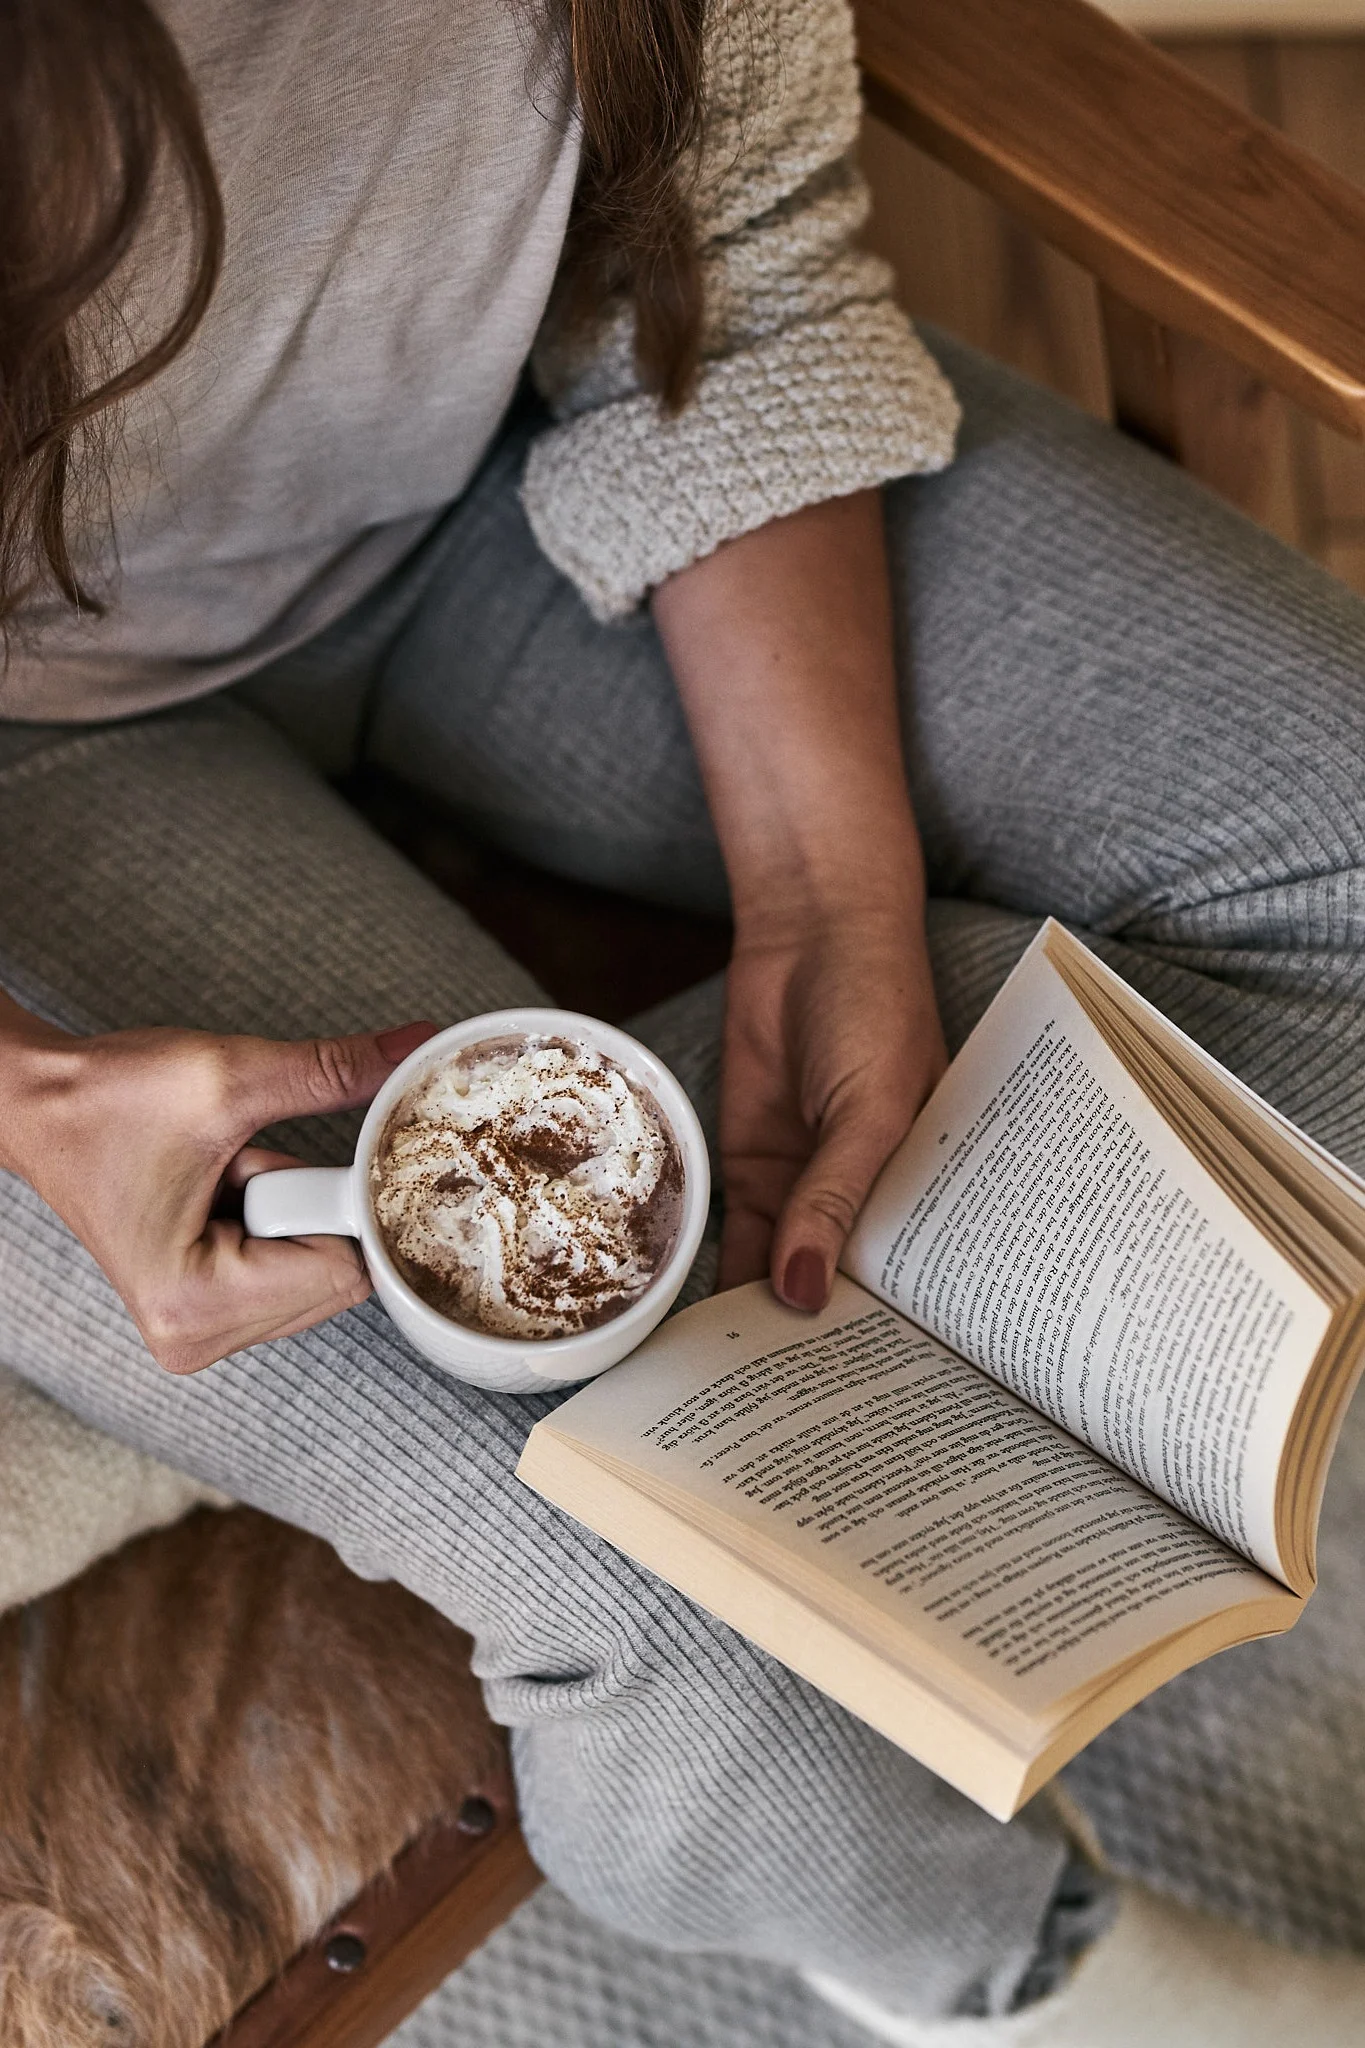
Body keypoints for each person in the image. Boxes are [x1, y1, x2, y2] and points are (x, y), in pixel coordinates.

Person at [1, 0, 1363, 2038]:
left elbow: (724, 224)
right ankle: (1012, 1974)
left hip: (526, 456)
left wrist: (837, 893)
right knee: (692, 1576)